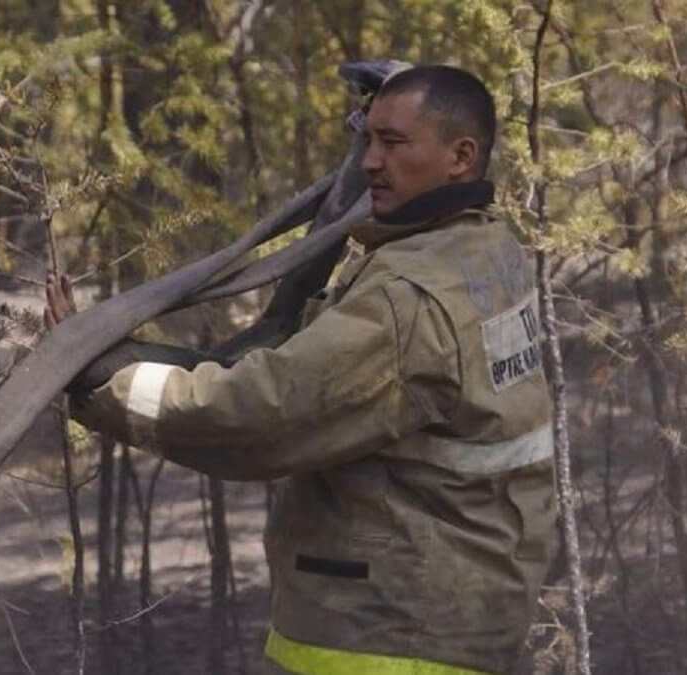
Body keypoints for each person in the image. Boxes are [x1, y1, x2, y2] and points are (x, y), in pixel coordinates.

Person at [46, 64, 557, 675]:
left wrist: (103, 382)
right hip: (454, 617)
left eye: (393, 144)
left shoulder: (409, 300)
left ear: (461, 156)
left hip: (386, 637)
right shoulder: (486, 251)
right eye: (367, 140)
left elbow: (260, 415)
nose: (370, 162)